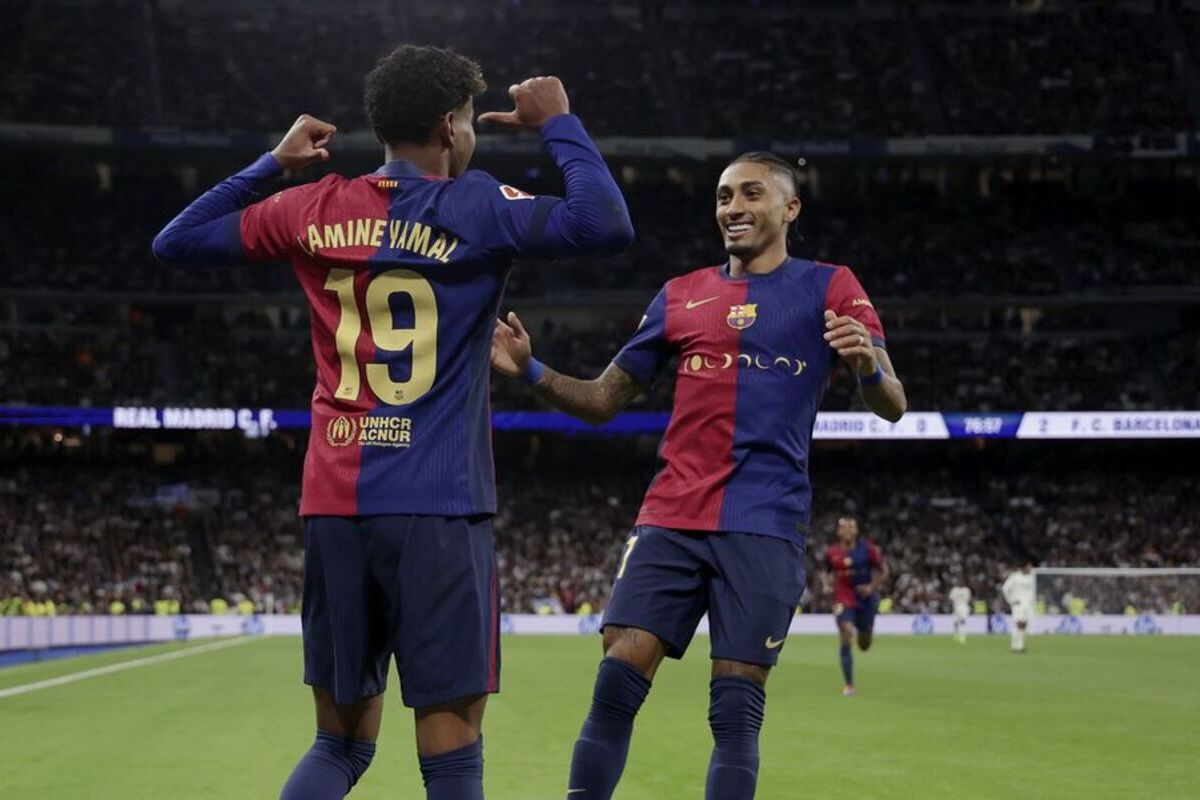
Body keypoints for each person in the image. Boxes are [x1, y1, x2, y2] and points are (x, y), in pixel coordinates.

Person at [153, 44, 633, 800]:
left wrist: (274, 163)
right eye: (468, 120)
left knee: (338, 746)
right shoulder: (476, 206)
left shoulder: (311, 207)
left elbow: (174, 242)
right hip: (438, 504)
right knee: (452, 754)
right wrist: (559, 124)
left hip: (334, 502)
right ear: (448, 127)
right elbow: (604, 223)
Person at [491, 151, 905, 799]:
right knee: (615, 684)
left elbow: (893, 405)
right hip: (671, 515)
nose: (732, 207)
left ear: (790, 208)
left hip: (765, 522)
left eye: (750, 194)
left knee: (735, 712)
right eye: (722, 197)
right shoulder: (680, 294)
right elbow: (602, 400)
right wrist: (532, 371)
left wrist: (868, 367)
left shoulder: (830, 286)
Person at [822, 516, 888, 696]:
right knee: (846, 632)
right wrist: (827, 585)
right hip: (843, 597)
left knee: (864, 644)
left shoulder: (868, 549)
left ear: (857, 531)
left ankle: (866, 632)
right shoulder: (832, 552)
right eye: (845, 527)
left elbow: (884, 570)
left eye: (851, 527)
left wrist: (871, 587)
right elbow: (826, 572)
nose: (848, 530)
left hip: (865, 599)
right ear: (839, 531)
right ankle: (849, 685)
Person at [1002, 560, 1037, 653]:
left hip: (1028, 604)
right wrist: (1010, 601)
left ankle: (1020, 645)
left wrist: (1032, 601)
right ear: (1024, 567)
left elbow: (1032, 591)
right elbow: (1005, 588)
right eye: (1029, 566)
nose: (1030, 568)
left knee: (1024, 625)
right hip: (1018, 604)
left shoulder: (1031, 577)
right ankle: (1014, 646)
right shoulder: (1015, 577)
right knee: (1019, 624)